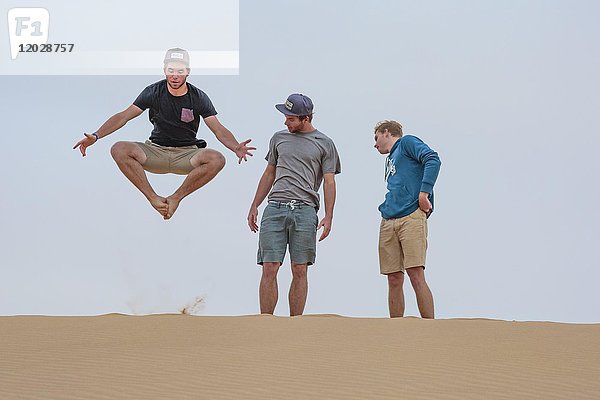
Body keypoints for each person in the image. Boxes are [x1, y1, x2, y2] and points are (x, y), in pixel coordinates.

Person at [73, 48, 255, 220]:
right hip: (155, 151)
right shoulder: (153, 92)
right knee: (119, 148)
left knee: (217, 159)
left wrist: (235, 146)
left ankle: (176, 198)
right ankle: (153, 198)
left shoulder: (198, 97)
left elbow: (218, 128)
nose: (175, 75)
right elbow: (124, 116)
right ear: (164, 70)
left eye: (180, 71)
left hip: (187, 154)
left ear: (188, 72)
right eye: (171, 70)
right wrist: (96, 136)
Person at [247, 94, 341, 316]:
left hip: (305, 210)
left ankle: (295, 324)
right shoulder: (278, 138)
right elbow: (269, 173)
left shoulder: (325, 143)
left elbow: (329, 181)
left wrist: (329, 216)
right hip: (275, 207)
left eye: (290, 118)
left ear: (305, 118)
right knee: (269, 267)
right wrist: (254, 205)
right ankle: (265, 320)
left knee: (299, 269)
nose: (285, 122)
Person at [373, 120, 441, 319]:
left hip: (410, 216)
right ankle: (396, 328)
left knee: (415, 273)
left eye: (376, 138)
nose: (375, 144)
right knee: (393, 277)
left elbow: (433, 159)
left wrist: (424, 193)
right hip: (389, 218)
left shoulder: (407, 142)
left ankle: (430, 327)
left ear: (386, 133)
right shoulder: (390, 159)